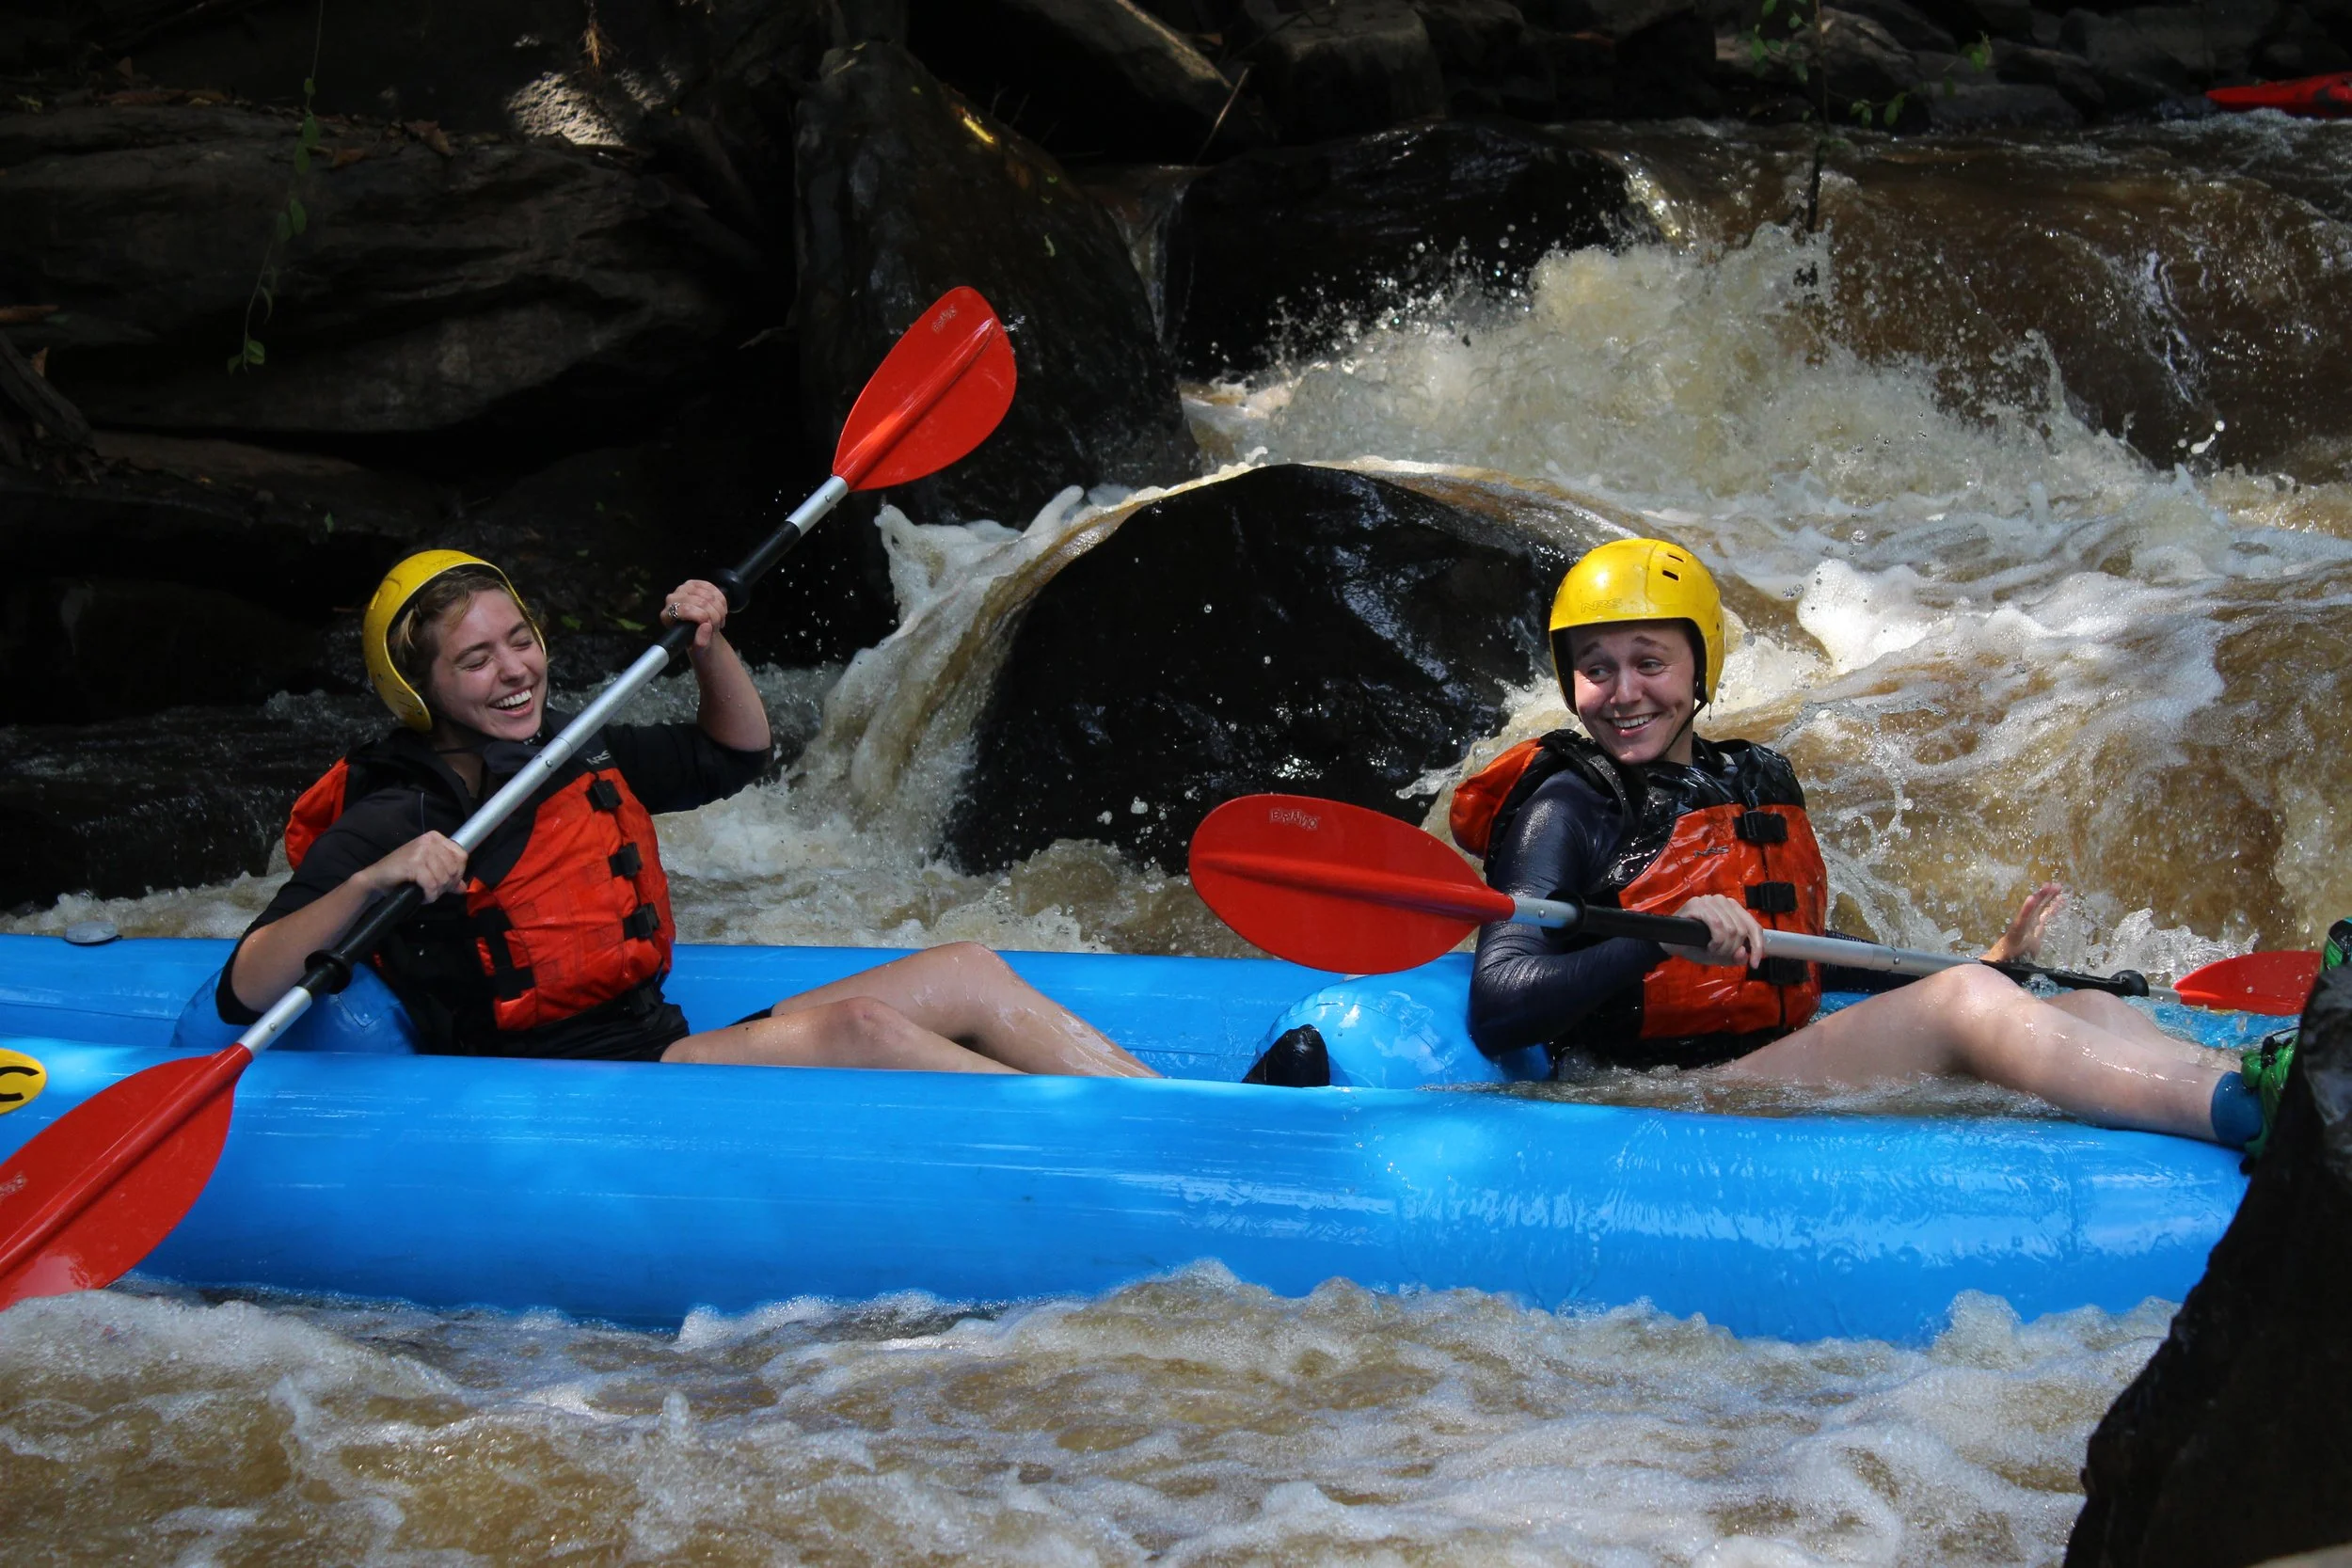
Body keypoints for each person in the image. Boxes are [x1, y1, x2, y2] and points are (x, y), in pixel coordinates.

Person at [1464, 536, 2279, 1150]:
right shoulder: (1565, 805)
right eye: (1596, 668)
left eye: (1650, 662)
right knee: (1962, 1007)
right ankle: (2237, 1113)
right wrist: (1656, 940)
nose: (1623, 692)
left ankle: (2267, 1078)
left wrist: (1977, 963)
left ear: (1701, 667)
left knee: (2089, 1004)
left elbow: (1794, 953)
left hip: (1762, 1064)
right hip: (1652, 1095)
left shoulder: (1740, 779)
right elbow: (1499, 1002)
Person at [220, 550, 1153, 1078]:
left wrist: (708, 646)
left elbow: (733, 753)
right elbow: (246, 985)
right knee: (861, 1029)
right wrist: (375, 878)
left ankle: (1167, 1110)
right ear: (420, 689)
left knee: (965, 966)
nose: (514, 670)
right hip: (582, 1083)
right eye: (475, 660)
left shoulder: (574, 747)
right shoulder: (403, 807)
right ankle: (1104, 1142)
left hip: (657, 1043)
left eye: (519, 640)